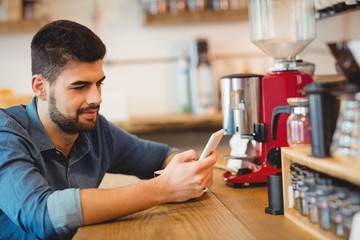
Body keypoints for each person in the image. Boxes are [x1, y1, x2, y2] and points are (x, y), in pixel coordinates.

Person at [0, 19, 217, 240]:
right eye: (80, 86)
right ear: (40, 87)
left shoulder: (95, 130)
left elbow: (161, 157)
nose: (96, 98)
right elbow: (42, 215)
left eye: (98, 83)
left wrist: (190, 172)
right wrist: (163, 188)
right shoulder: (5, 136)